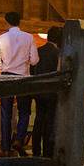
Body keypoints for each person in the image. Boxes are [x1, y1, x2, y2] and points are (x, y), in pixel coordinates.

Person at [0, 11, 39, 156]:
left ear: (6, 22)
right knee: (24, 111)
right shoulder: (29, 37)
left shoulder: (1, 38)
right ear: (19, 21)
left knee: (5, 113)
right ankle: (19, 139)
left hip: (6, 77)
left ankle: (5, 147)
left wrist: (3, 67)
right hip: (23, 77)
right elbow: (34, 61)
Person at [31, 26, 62, 158]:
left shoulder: (39, 51)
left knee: (38, 119)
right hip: (51, 92)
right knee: (50, 121)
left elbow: (32, 71)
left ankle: (35, 150)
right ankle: (48, 151)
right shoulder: (58, 53)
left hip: (38, 91)